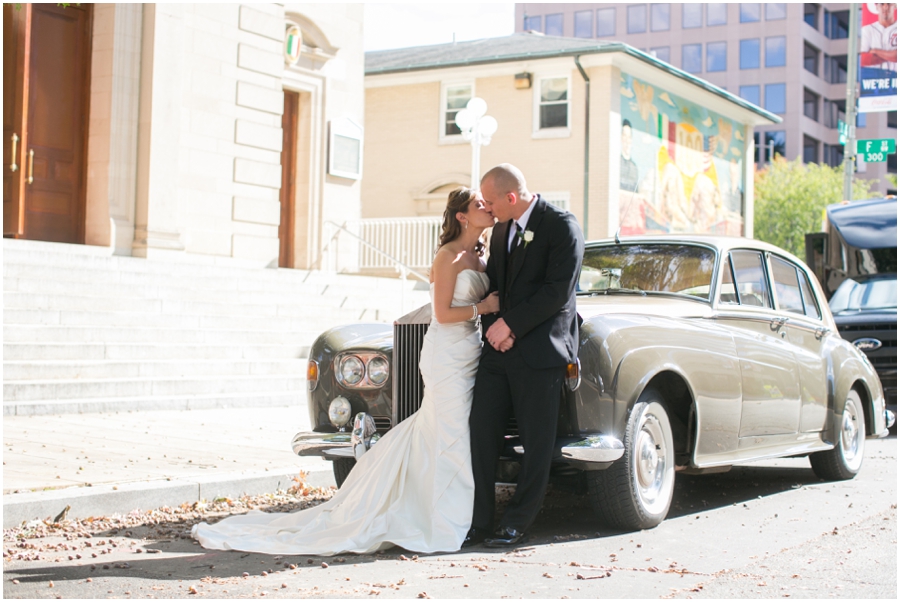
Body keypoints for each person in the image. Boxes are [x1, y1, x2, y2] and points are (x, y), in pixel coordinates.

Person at [192, 187, 499, 555]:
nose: (488, 207)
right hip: (446, 352)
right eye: (479, 204)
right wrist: (483, 308)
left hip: (469, 351)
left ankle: (432, 504)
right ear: (462, 216)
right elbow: (443, 314)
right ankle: (444, 517)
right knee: (449, 431)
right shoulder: (448, 256)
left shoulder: (480, 256)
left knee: (445, 431)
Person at [463, 164, 584, 548]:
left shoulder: (562, 226)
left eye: (491, 201)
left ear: (511, 198)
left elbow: (557, 292)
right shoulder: (501, 230)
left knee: (536, 443)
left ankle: (516, 522)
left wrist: (510, 326)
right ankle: (479, 521)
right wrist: (495, 330)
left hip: (541, 352)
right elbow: (496, 287)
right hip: (498, 351)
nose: (487, 207)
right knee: (480, 434)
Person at [860, 3, 897, 71]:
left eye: (888, 4)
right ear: (877, 7)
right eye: (882, 4)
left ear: (895, 6)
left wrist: (875, 51)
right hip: (874, 79)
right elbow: (864, 59)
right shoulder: (867, 30)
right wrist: (891, 55)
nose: (885, 7)